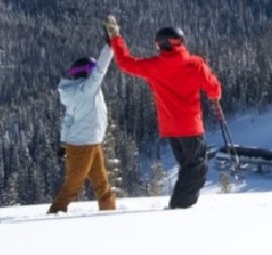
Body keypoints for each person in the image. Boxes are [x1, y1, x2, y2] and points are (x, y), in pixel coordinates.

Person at [105, 14, 222, 209]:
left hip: (170, 128)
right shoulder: (195, 64)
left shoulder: (153, 66)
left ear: (160, 45)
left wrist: (116, 38)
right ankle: (179, 207)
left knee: (188, 167)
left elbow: (125, 62)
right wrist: (214, 95)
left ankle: (180, 205)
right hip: (191, 127)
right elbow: (214, 89)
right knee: (196, 168)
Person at [48, 43, 118, 214]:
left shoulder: (81, 91)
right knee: (73, 185)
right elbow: (101, 70)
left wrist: (63, 143)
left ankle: (110, 214)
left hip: (92, 142)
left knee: (102, 184)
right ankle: (54, 213)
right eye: (92, 69)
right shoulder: (88, 89)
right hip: (81, 144)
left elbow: (69, 119)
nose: (95, 73)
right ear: (88, 71)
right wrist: (110, 47)